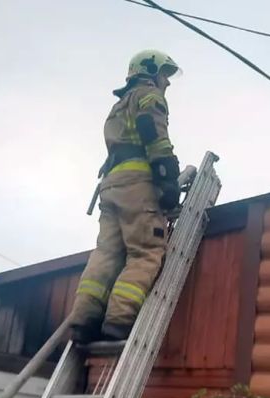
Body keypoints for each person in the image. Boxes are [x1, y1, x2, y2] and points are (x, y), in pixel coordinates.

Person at [68, 49, 182, 343]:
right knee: (145, 251)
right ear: (149, 71)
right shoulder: (149, 96)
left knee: (106, 252)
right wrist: (168, 178)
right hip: (137, 184)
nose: (167, 83)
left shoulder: (118, 106)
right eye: (164, 75)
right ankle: (119, 319)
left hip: (111, 185)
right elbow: (153, 133)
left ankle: (83, 319)